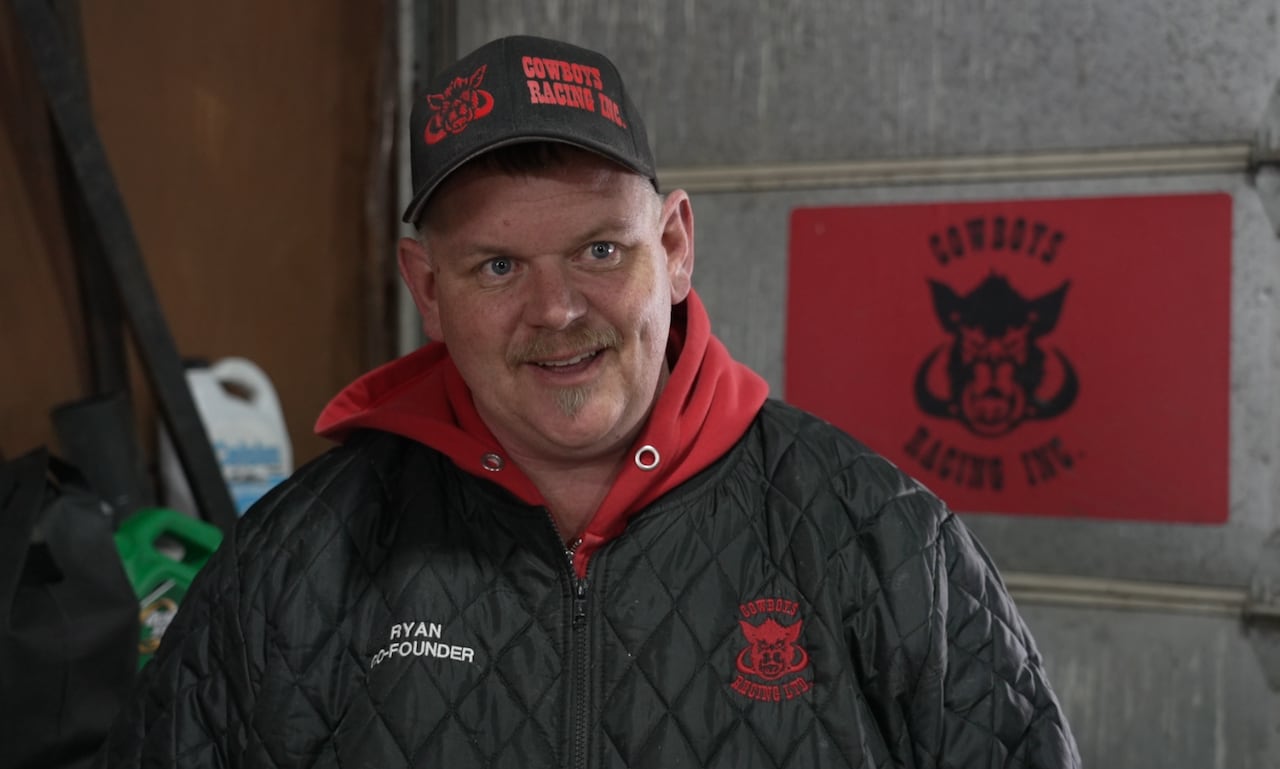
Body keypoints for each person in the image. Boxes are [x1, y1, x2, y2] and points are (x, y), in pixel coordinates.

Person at [103, 35, 1080, 768]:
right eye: (496, 265)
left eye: (599, 250)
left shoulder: (877, 537)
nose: (558, 309)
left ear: (677, 245)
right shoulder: (298, 559)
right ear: (427, 288)